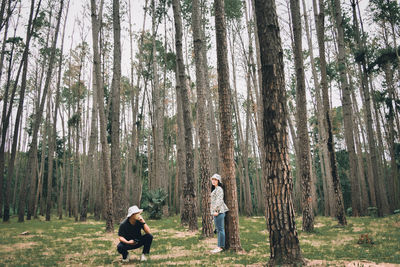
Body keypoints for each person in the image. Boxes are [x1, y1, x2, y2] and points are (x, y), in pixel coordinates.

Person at [210, 173, 229, 253]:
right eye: (213, 179)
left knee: (220, 229)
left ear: (218, 181)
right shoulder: (215, 189)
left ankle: (220, 247)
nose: (213, 181)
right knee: (218, 229)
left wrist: (216, 211)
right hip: (216, 212)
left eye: (215, 180)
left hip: (219, 212)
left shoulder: (219, 189)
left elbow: (219, 200)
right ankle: (219, 246)